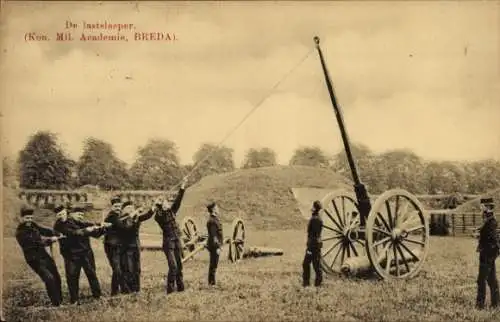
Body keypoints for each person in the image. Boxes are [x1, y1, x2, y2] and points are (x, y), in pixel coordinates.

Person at [53, 205, 108, 305]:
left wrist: (102, 228)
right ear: (72, 214)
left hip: (86, 254)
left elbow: (94, 232)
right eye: (78, 214)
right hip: (71, 256)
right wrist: (88, 229)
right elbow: (75, 233)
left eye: (82, 215)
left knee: (92, 274)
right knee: (72, 277)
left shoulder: (79, 223)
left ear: (66, 212)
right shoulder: (59, 225)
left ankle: (98, 296)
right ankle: (74, 300)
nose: (80, 216)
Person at [15, 206, 63, 306]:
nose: (29, 220)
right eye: (27, 218)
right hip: (33, 259)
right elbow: (35, 243)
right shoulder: (20, 232)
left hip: (43, 255)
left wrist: (57, 233)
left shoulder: (33, 225)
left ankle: (60, 299)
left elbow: (44, 230)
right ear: (22, 219)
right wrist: (50, 240)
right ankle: (56, 303)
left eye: (31, 218)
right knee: (49, 278)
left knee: (56, 276)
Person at [154, 178, 187, 294]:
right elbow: (156, 214)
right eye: (164, 202)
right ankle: (170, 290)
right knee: (173, 266)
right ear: (161, 206)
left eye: (167, 202)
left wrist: (182, 186)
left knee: (179, 265)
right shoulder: (159, 216)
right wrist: (157, 203)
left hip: (177, 240)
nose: (167, 203)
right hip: (168, 243)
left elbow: (178, 200)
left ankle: (181, 288)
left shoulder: (172, 211)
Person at [119, 201, 155, 293]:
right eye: (128, 208)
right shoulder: (121, 219)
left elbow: (146, 216)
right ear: (123, 210)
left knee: (137, 269)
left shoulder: (136, 217)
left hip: (136, 246)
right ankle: (127, 291)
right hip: (126, 248)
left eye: (132, 207)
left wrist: (152, 209)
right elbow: (127, 226)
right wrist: (133, 215)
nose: (131, 209)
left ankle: (136, 290)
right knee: (128, 269)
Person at [103, 196, 131, 296]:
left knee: (118, 270)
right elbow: (123, 227)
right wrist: (131, 216)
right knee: (117, 270)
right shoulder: (112, 216)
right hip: (111, 247)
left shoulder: (118, 215)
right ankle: (125, 290)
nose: (118, 208)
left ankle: (114, 292)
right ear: (112, 207)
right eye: (115, 206)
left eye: (119, 206)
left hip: (118, 246)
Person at [476, 197, 499, 309]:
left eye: (482, 206)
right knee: (491, 280)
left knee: (481, 280)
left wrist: (491, 256)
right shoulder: (488, 220)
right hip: (488, 254)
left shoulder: (491, 221)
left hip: (487, 255)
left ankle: (480, 305)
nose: (481, 207)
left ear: (487, 207)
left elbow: (494, 240)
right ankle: (496, 304)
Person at [302, 200, 323, 287]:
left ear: (314, 209)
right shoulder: (318, 219)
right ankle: (317, 284)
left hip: (313, 245)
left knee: (308, 264)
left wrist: (310, 248)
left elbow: (313, 235)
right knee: (316, 265)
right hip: (316, 244)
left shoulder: (315, 219)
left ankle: (307, 283)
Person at [206, 202, 223, 286]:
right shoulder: (212, 221)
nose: (218, 209)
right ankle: (211, 283)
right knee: (213, 265)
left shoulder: (214, 219)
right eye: (217, 207)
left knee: (214, 264)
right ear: (213, 210)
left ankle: (212, 282)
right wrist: (217, 247)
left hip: (214, 245)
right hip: (214, 246)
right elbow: (214, 236)